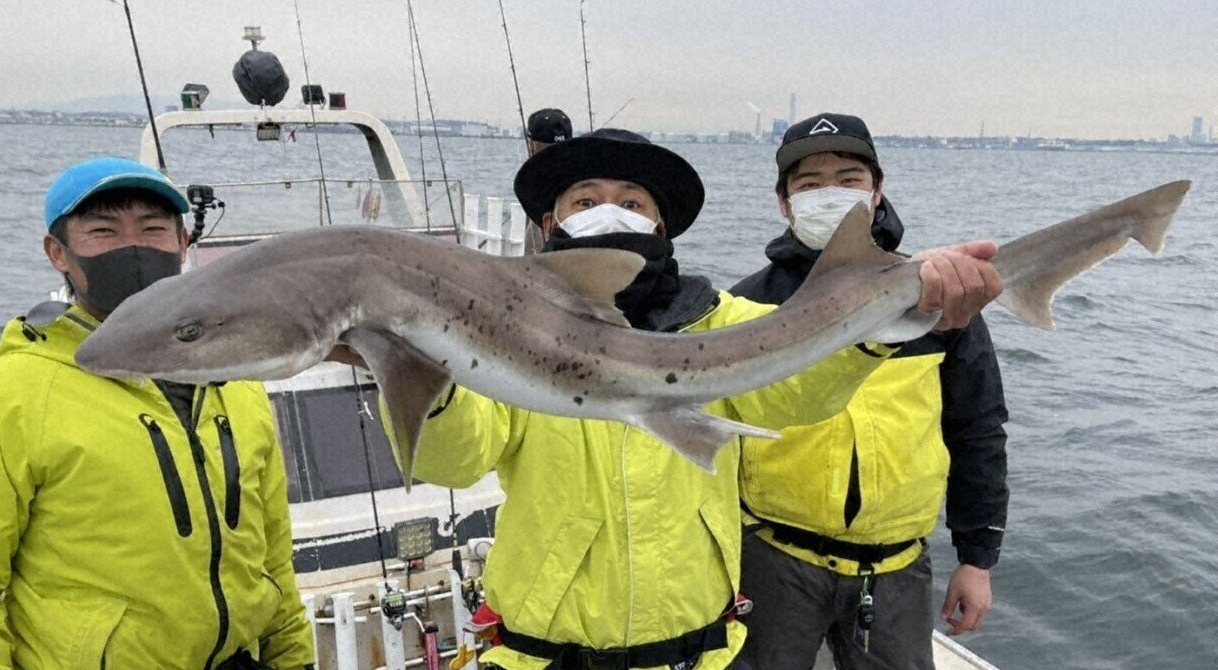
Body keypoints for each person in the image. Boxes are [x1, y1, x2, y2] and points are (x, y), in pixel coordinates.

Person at [375, 129, 1003, 670]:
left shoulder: (718, 320)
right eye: (585, 201)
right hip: (543, 649)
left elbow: (800, 393)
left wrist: (881, 323)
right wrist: (424, 374)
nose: (609, 213)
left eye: (631, 202)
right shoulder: (500, 332)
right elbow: (456, 462)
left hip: (694, 648)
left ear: (660, 224)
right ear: (549, 225)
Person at [0, 157, 315, 669]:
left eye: (154, 228)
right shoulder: (0, 398)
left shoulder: (239, 387)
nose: (133, 246)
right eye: (102, 230)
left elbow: (271, 562)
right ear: (59, 254)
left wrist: (294, 659)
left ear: (183, 242)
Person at [731, 113, 1009, 670]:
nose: (829, 193)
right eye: (808, 185)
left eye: (849, 178)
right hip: (770, 557)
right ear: (783, 202)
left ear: (878, 190)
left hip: (896, 569)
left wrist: (977, 558)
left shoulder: (938, 304)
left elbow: (976, 428)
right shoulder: (746, 308)